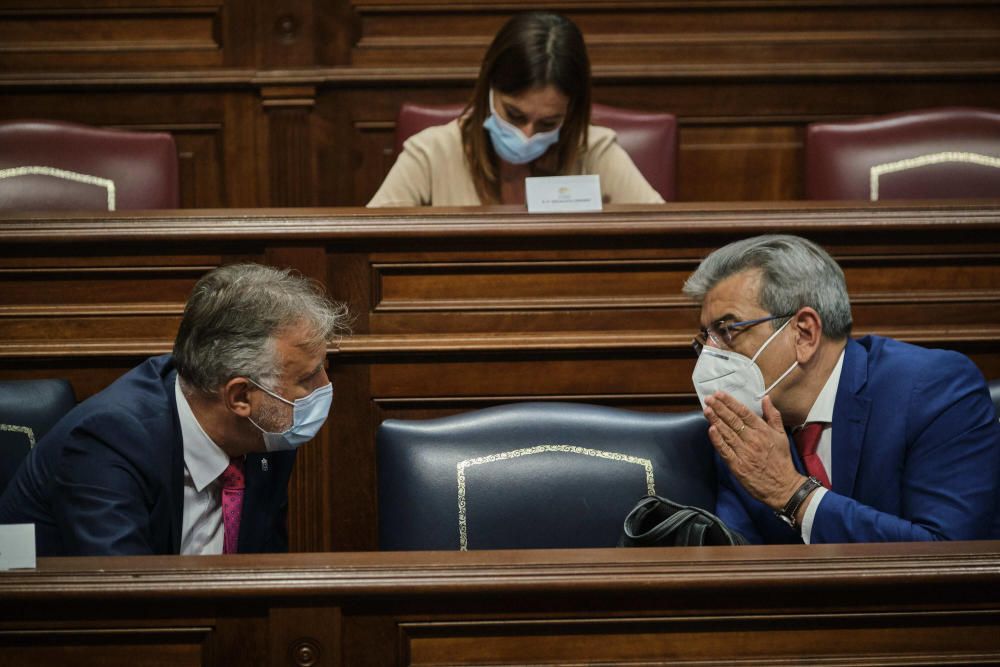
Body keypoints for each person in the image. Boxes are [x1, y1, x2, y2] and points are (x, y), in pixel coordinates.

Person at [0, 263, 350, 556]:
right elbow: (124, 603)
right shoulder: (109, 442)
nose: (325, 387)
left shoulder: (267, 433)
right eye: (307, 378)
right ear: (240, 396)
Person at [682, 234, 1000, 544]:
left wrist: (793, 494)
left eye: (726, 330)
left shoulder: (933, 390)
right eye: (705, 338)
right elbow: (738, 566)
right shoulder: (743, 430)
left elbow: (947, 554)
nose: (710, 353)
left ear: (804, 334)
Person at [367, 11, 664, 207]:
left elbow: (667, 238)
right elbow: (368, 251)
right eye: (514, 115)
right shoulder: (431, 153)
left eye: (547, 124)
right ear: (488, 88)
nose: (526, 136)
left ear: (571, 114)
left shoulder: (595, 151)